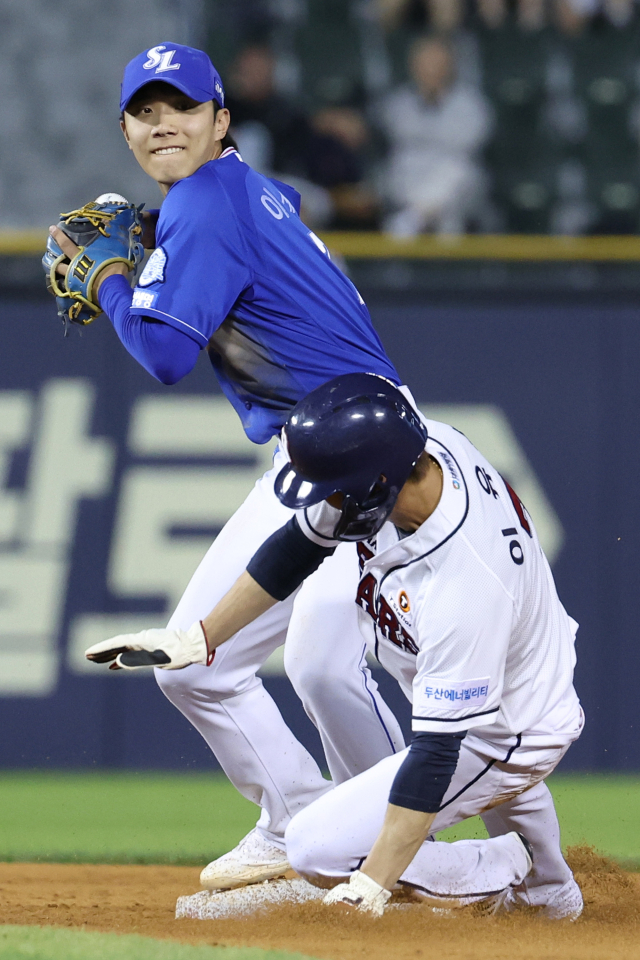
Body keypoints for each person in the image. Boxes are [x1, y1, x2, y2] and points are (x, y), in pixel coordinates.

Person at [49, 42, 406, 890]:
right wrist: (148, 266)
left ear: (222, 120)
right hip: (331, 444)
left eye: (182, 106)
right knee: (206, 661)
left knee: (293, 662)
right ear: (127, 131)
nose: (163, 121)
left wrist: (108, 281)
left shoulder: (206, 202)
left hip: (356, 451)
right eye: (145, 109)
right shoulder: (241, 190)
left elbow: (167, 355)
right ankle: (303, 825)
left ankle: (387, 843)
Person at [88, 374, 584, 919]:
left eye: (334, 488)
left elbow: (439, 754)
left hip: (507, 732)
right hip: (508, 676)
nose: (326, 499)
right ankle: (547, 891)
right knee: (530, 872)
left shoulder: (465, 580)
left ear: (377, 485)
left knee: (318, 849)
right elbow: (298, 547)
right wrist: (197, 639)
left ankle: (502, 864)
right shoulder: (409, 459)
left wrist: (371, 881)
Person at [380, 35, 493, 236]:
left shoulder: (471, 103)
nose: (431, 69)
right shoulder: (399, 102)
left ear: (450, 66)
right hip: (410, 176)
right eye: (425, 62)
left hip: (454, 180)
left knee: (458, 171)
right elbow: (398, 138)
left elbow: (465, 145)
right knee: (400, 165)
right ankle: (421, 218)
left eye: (437, 62)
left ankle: (413, 220)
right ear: (413, 66)